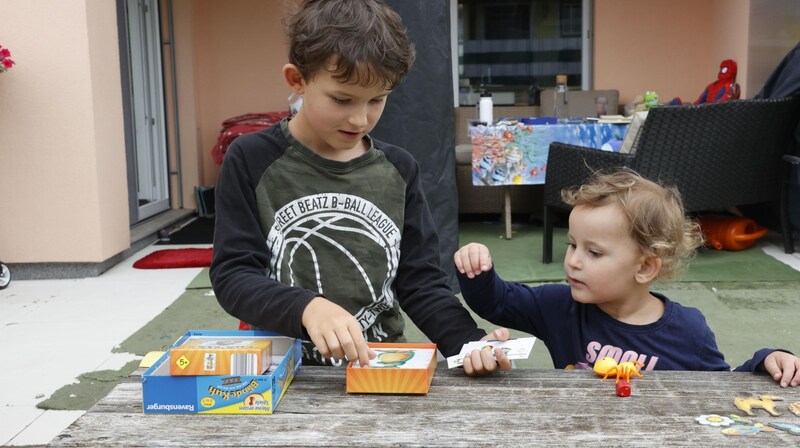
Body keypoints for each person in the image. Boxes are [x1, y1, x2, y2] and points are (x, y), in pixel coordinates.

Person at [210, 0, 509, 375]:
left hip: (380, 371)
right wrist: (307, 307)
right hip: (286, 375)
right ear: (297, 79)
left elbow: (420, 283)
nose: (360, 118)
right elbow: (233, 275)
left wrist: (468, 343)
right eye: (341, 99)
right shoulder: (250, 159)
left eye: (377, 100)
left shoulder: (399, 169)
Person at [454, 168, 800, 387]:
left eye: (594, 252)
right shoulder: (560, 306)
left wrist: (765, 360)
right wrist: (477, 270)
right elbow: (496, 302)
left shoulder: (689, 332)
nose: (573, 261)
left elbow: (718, 391)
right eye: (572, 245)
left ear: (645, 267)